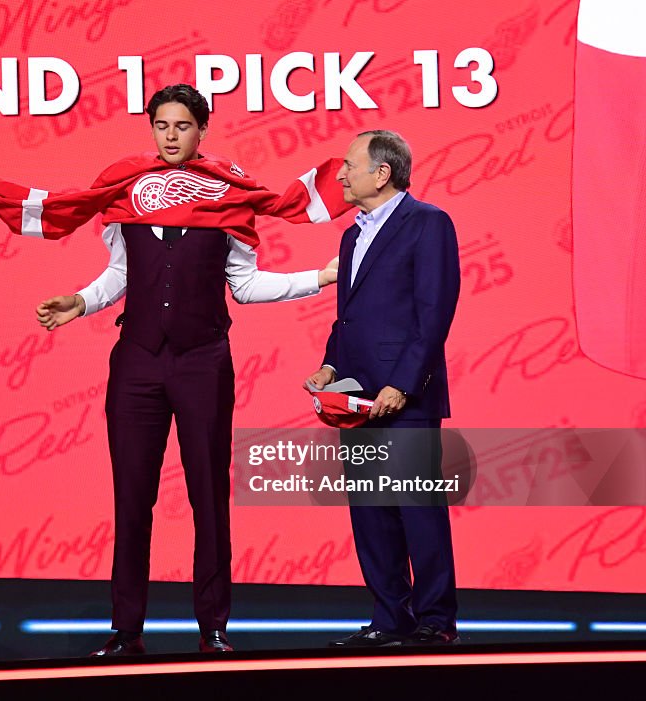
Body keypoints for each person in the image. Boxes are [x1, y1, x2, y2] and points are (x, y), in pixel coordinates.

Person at [23, 84, 345, 655]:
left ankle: (213, 627)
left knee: (208, 495)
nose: (171, 136)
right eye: (162, 126)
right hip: (138, 364)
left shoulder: (230, 201)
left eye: (182, 126)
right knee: (132, 497)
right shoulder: (127, 196)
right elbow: (118, 277)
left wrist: (314, 281)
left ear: (203, 131)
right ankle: (125, 631)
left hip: (203, 362)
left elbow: (244, 286)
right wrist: (79, 302)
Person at [306, 130, 461, 647]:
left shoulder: (429, 224)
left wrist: (403, 383)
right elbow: (346, 316)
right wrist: (329, 367)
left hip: (404, 396)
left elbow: (433, 312)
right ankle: (389, 619)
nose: (341, 175)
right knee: (372, 515)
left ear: (382, 173)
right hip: (354, 395)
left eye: (348, 166)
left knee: (418, 512)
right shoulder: (351, 236)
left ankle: (436, 621)